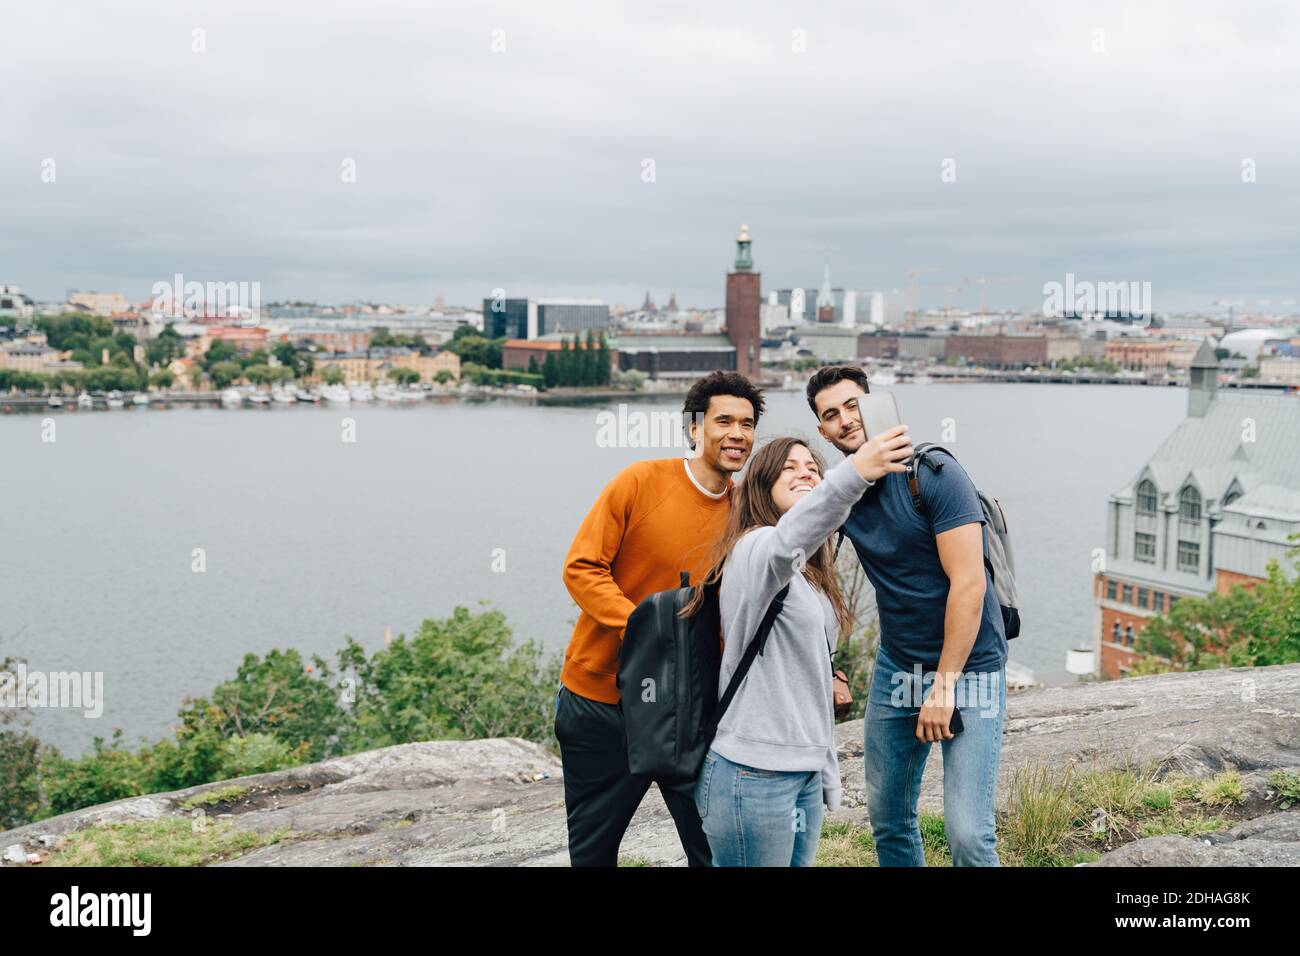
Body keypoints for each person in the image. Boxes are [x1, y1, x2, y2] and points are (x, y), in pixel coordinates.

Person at [554, 370, 764, 866]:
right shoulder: (640, 482)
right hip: (605, 703)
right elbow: (581, 568)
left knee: (713, 849)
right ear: (695, 427)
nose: (737, 433)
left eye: (748, 424)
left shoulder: (748, 515)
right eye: (724, 421)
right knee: (593, 853)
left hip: (692, 715)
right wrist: (646, 630)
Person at [806, 364, 1008, 866]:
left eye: (853, 405)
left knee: (968, 835)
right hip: (898, 668)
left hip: (970, 668)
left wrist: (943, 688)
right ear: (822, 431)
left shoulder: (934, 474)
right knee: (890, 820)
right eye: (830, 415)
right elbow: (809, 585)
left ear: (875, 404)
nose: (845, 420)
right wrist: (827, 663)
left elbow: (969, 584)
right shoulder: (842, 493)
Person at [683, 428, 913, 866]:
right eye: (788, 468)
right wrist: (856, 472)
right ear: (761, 487)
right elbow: (792, 537)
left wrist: (822, 769)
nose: (805, 474)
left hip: (799, 772)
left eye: (812, 468)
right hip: (751, 772)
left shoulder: (808, 576)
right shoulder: (755, 551)